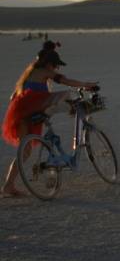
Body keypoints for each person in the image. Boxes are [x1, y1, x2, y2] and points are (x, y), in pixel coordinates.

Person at [3, 41, 99, 197]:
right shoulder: (45, 72)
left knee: (24, 152)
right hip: (32, 107)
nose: (56, 69)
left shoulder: (29, 73)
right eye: (55, 66)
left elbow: (14, 97)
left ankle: (8, 185)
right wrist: (86, 85)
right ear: (49, 64)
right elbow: (66, 81)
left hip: (20, 115)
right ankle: (68, 111)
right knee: (67, 95)